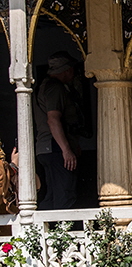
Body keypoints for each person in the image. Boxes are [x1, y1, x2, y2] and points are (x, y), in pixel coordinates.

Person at [33, 52, 84, 209]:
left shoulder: (45, 86)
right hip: (55, 148)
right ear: (67, 70)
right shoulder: (55, 88)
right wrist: (66, 150)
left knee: (53, 195)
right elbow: (53, 119)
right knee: (64, 194)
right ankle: (62, 231)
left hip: (46, 148)